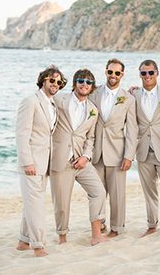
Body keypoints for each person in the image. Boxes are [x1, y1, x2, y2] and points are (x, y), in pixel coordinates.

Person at [50, 69, 107, 246]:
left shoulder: (93, 110)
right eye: (81, 81)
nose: (84, 84)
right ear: (75, 83)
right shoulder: (59, 100)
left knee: (99, 192)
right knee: (62, 202)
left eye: (88, 82)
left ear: (92, 87)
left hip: (81, 161)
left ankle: (96, 234)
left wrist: (86, 156)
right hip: (60, 160)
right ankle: (62, 237)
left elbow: (90, 138)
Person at [16, 65, 67, 257]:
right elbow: (22, 134)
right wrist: (27, 161)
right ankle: (38, 246)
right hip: (31, 163)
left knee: (31, 202)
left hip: (44, 163)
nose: (55, 84)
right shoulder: (30, 102)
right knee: (36, 204)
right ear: (43, 80)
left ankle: (23, 241)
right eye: (51, 80)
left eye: (59, 82)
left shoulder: (52, 103)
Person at [90, 58, 138, 237]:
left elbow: (132, 130)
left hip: (117, 153)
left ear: (122, 75)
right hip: (95, 153)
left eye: (117, 73)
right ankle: (100, 224)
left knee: (117, 194)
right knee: (97, 193)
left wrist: (129, 156)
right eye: (110, 72)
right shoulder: (94, 93)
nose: (113, 75)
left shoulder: (128, 98)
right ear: (105, 72)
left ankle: (117, 228)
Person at [131, 59, 160, 237]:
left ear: (157, 73)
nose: (147, 76)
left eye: (151, 72)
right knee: (149, 192)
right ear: (140, 75)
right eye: (143, 73)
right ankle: (151, 225)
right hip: (142, 150)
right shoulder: (133, 95)